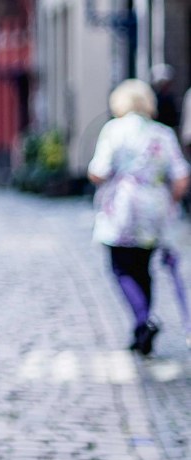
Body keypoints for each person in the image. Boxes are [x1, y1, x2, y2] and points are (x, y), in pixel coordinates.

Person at [88, 79, 190, 355]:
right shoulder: (163, 134)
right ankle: (141, 326)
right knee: (144, 268)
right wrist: (167, 201)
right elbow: (181, 178)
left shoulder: (114, 130)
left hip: (122, 208)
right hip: (154, 210)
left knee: (121, 268)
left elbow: (99, 170)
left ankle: (143, 320)